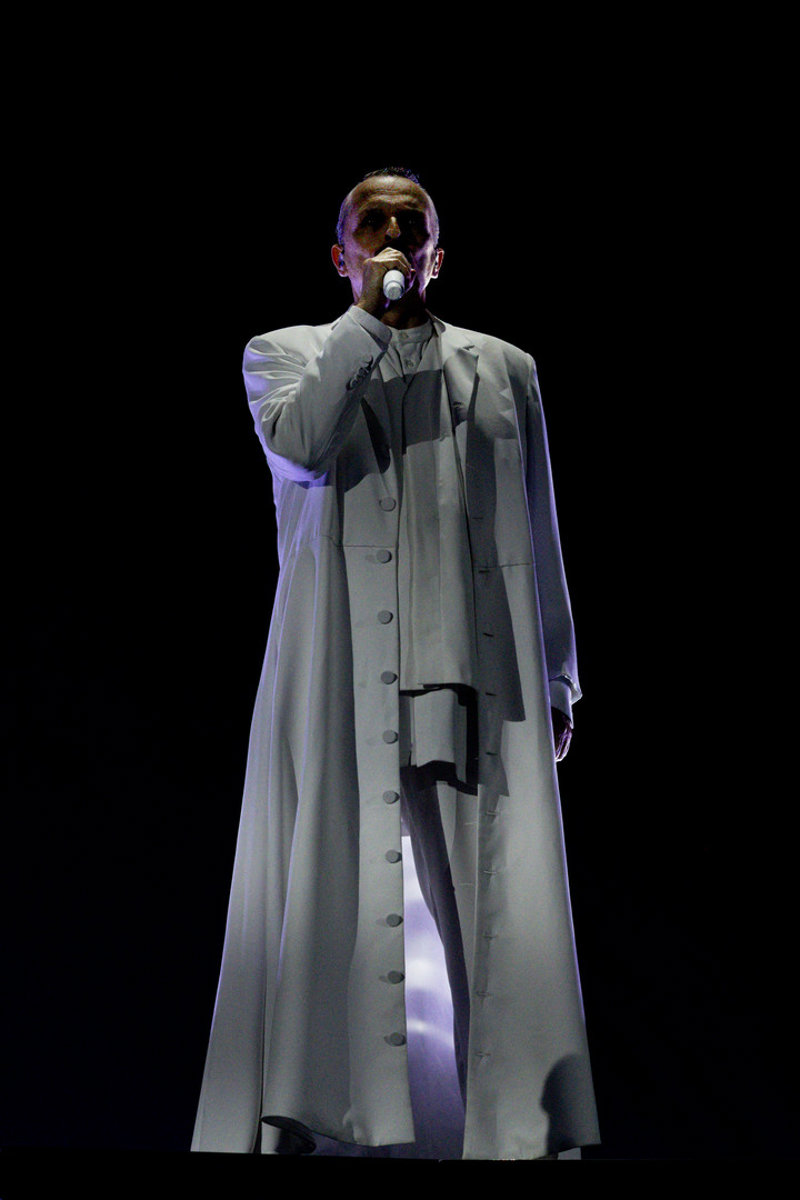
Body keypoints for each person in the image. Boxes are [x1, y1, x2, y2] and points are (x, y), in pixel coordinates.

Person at [191, 167, 600, 1160]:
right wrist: (365, 325)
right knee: (323, 897)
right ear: (338, 255)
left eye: (407, 226)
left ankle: (514, 1136)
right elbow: (302, 444)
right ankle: (301, 1118)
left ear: (436, 254)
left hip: (469, 676)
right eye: (368, 225)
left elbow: (538, 527)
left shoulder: (504, 369)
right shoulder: (285, 355)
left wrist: (556, 675)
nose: (389, 239)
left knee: (497, 911)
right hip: (338, 678)